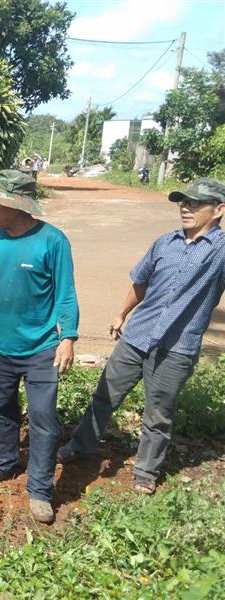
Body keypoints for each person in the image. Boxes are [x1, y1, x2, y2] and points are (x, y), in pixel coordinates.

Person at [58, 179, 225, 495]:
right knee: (105, 394)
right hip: (138, 335)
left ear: (218, 210)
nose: (185, 208)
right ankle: (81, 445)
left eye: (195, 203)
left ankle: (146, 472)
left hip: (177, 346)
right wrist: (121, 313)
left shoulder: (220, 251)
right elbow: (141, 282)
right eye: (182, 202)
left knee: (158, 413)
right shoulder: (165, 242)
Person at [0, 170, 79, 524]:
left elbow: (66, 294)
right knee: (0, 409)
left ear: (17, 205)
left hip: (42, 348)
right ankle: (2, 464)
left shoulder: (52, 241)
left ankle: (41, 490)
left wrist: (68, 337)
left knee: (43, 420)